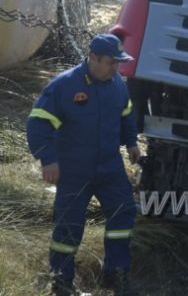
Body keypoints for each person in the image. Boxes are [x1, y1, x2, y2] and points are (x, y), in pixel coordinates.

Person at [27, 34, 140, 296]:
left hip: (110, 167)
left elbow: (126, 114)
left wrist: (132, 142)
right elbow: (38, 122)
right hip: (74, 169)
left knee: (124, 212)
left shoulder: (118, 85)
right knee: (69, 225)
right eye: (112, 62)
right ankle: (62, 279)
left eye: (119, 63)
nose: (116, 68)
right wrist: (49, 160)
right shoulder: (65, 86)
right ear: (93, 59)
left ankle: (116, 273)